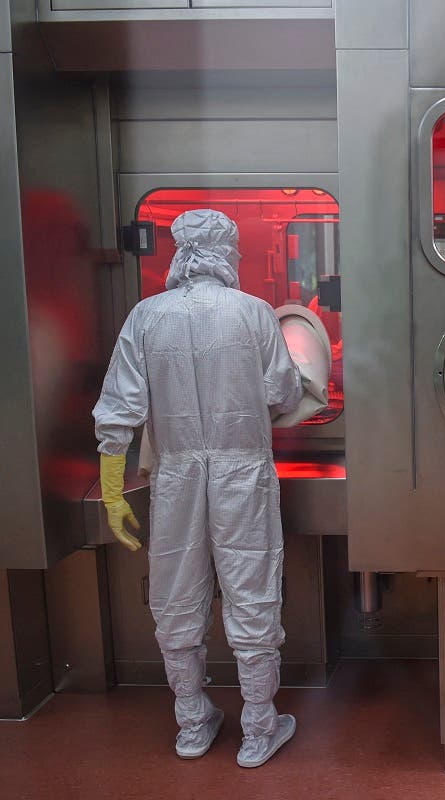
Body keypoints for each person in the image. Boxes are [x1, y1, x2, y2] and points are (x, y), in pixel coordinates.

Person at [93, 209, 303, 768]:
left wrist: (114, 492)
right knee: (251, 588)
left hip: (178, 476)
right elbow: (283, 390)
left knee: (176, 592)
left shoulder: (146, 316)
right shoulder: (255, 313)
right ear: (228, 252)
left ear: (180, 252)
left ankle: (192, 722)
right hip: (243, 476)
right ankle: (258, 728)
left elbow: (118, 410)